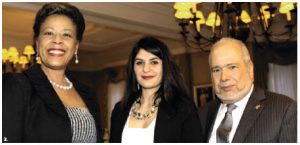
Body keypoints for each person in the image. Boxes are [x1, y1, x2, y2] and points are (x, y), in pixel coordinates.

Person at [3, 3, 103, 143]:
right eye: (49, 33)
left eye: (66, 35)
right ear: (37, 43)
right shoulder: (16, 85)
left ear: (76, 47)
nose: (57, 40)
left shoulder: (89, 94)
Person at [109, 36, 203, 143]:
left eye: (154, 62)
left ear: (165, 67)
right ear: (133, 68)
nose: (145, 69)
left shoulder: (182, 108)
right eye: (139, 62)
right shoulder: (119, 110)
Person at [205, 37, 297, 143]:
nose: (224, 77)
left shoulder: (284, 109)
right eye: (216, 70)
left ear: (250, 69)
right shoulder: (204, 113)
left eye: (232, 67)